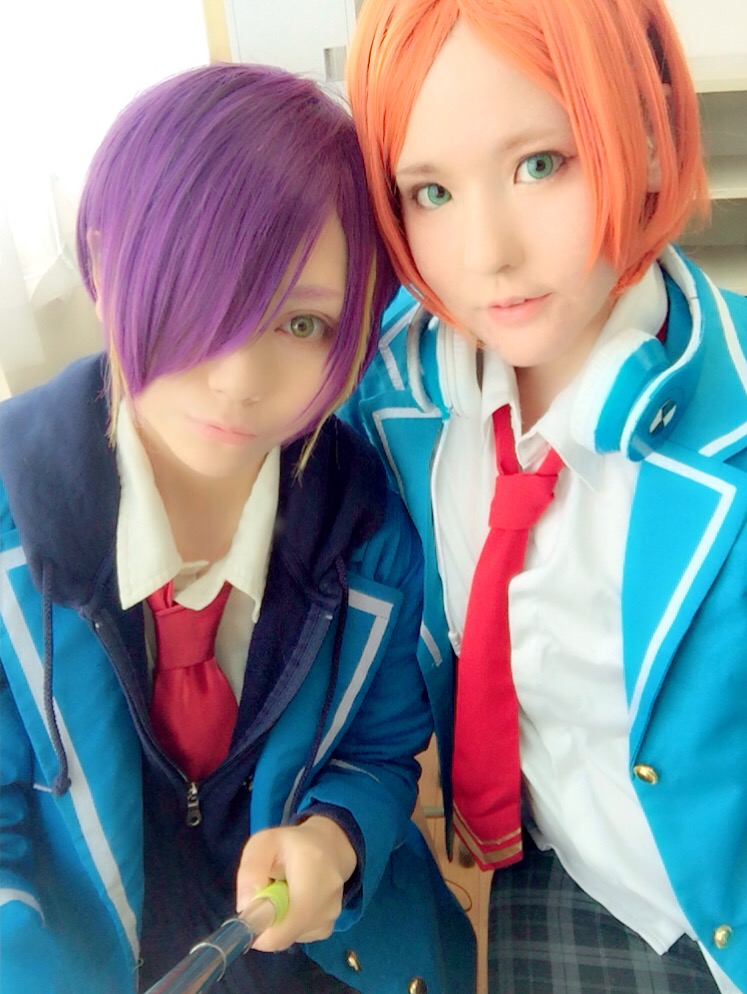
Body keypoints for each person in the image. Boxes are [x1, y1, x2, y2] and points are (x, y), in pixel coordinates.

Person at [0, 63, 475, 994]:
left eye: (302, 325)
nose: (239, 380)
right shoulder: (12, 524)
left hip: (336, 959)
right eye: (201, 299)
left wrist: (334, 841)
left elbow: (379, 751)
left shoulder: (370, 528)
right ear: (102, 262)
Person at [341, 1, 747, 992]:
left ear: (646, 132)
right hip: (550, 866)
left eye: (538, 164)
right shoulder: (396, 399)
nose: (487, 252)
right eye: (431, 191)